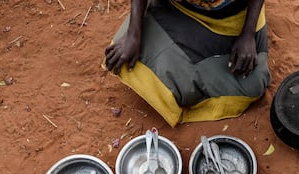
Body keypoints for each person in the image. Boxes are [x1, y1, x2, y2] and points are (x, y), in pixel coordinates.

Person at [105, 0, 270, 127]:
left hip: (231, 21)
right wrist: (134, 34)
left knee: (252, 84)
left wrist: (248, 34)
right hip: (179, 10)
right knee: (130, 62)